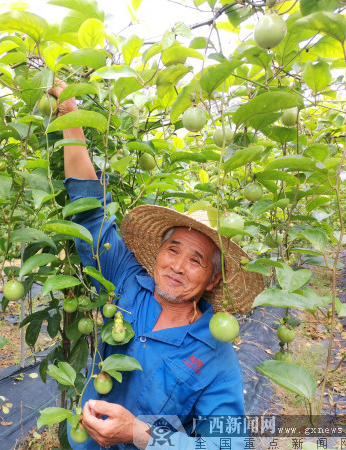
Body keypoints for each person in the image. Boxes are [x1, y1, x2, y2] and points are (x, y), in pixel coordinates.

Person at [48, 81, 264, 449]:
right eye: (172, 250)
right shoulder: (127, 282)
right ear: (157, 253)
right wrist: (71, 115)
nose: (177, 266)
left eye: (196, 260)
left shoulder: (214, 356)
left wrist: (139, 434)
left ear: (213, 279)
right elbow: (88, 210)